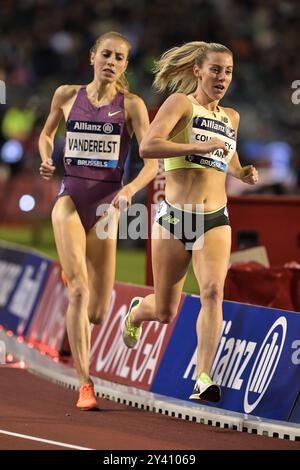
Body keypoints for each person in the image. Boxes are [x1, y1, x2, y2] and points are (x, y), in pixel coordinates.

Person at [121, 41, 258, 402]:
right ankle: (137, 313)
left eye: (228, 71)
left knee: (213, 291)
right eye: (215, 69)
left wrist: (242, 172)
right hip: (175, 218)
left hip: (215, 218)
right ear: (198, 70)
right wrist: (193, 148)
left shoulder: (231, 117)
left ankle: (204, 377)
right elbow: (149, 147)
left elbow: (227, 156)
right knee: (165, 310)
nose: (222, 77)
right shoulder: (181, 104)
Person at [39, 31, 158, 410]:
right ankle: (85, 384)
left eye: (120, 58)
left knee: (97, 311)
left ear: (125, 65)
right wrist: (46, 157)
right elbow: (46, 133)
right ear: (92, 56)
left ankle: (75, 285)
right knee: (78, 289)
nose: (111, 62)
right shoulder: (66, 95)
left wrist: (130, 190)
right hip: (70, 198)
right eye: (105, 54)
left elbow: (152, 162)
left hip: (108, 206)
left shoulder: (132, 106)